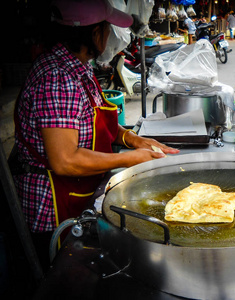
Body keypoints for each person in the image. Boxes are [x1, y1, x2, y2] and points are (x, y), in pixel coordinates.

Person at [10, 0, 179, 269]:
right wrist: (129, 160)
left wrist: (133, 139)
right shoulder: (58, 79)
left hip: (81, 190)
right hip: (51, 208)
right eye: (108, 28)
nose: (112, 35)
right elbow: (65, 160)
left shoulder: (80, 67)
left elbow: (97, 123)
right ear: (95, 33)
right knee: (65, 278)